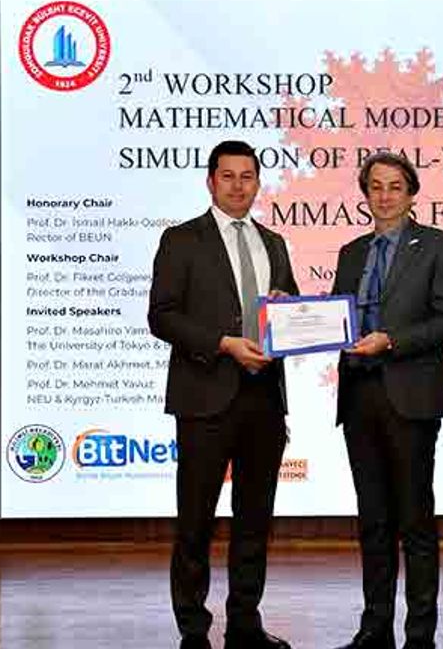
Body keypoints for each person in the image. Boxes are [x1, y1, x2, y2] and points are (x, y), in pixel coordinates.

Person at [148, 140, 298, 649]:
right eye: (228, 176)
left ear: (258, 183)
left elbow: (289, 310)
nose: (238, 186)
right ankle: (193, 629)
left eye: (247, 176)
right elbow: (162, 316)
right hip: (204, 397)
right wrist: (223, 344)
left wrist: (287, 308)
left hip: (264, 399)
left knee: (255, 521)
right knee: (195, 520)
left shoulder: (274, 242)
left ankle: (244, 623)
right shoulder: (181, 239)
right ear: (211, 181)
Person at [330, 151, 443, 649]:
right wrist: (292, 316)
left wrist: (391, 341)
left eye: (394, 187)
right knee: (373, 521)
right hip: (359, 394)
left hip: (411, 395)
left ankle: (420, 634)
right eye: (376, 187)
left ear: (412, 194)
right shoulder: (351, 252)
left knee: (415, 520)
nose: (384, 196)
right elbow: (336, 318)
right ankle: (374, 629)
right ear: (365, 195)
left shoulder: (438, 246)